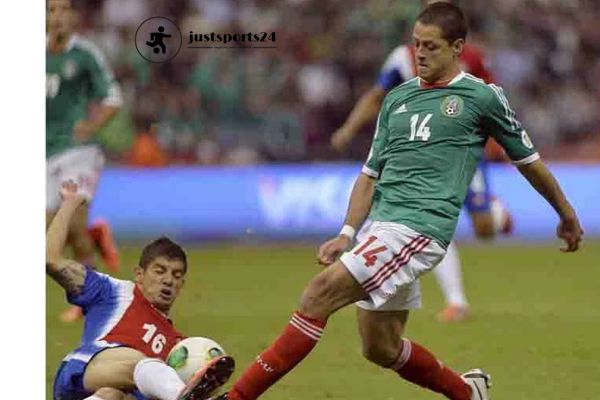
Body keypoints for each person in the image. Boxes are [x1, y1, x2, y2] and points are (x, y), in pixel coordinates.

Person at [193, 3, 583, 400]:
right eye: (416, 44)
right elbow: (369, 175)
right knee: (380, 347)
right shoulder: (397, 99)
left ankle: (235, 398)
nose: (420, 53)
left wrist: (566, 213)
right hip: (381, 226)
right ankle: (468, 393)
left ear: (457, 48)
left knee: (318, 294)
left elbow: (528, 161)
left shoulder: (482, 97)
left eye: (431, 46)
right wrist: (347, 232)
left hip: (420, 227)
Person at [331, 0, 512, 323]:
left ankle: (497, 215)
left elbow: (490, 96)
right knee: (434, 223)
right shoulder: (402, 58)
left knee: (484, 228)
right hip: (422, 157)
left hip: (464, 152)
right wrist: (349, 127)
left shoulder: (470, 56)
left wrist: (500, 138)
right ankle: (457, 301)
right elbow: (376, 96)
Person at [48, 181, 235, 400]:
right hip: (86, 372)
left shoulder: (180, 348)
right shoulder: (112, 291)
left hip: (110, 392)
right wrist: (69, 204)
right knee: (139, 362)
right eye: (160, 271)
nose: (168, 280)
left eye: (176, 275)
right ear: (139, 275)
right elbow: (50, 259)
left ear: (181, 285)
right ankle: (180, 396)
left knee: (114, 394)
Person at [47, 0, 123, 322]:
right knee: (49, 235)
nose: (58, 17)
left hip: (78, 151)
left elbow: (113, 98)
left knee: (72, 221)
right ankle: (96, 237)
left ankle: (87, 300)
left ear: (74, 16)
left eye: (64, 10)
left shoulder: (86, 54)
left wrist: (91, 125)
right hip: (43, 152)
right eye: (51, 10)